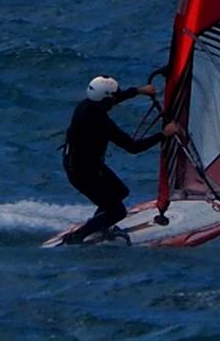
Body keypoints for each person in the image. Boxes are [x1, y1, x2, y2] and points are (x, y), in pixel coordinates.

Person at [57, 74, 160, 244]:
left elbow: (113, 98)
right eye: (113, 98)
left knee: (120, 192)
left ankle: (100, 225)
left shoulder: (86, 105)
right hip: (82, 172)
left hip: (84, 166)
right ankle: (75, 238)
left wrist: (139, 91)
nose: (115, 101)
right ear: (105, 100)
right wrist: (164, 134)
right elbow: (133, 147)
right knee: (117, 212)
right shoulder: (99, 121)